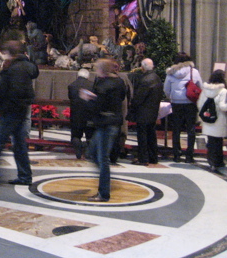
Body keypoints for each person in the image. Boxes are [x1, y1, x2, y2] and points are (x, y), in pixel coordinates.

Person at [0, 40, 39, 186]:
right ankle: (24, 176)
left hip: (12, 111)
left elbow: (12, 90)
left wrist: (3, 106)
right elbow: (34, 71)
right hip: (19, 110)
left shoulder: (15, 68)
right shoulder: (25, 65)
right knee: (19, 145)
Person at [81, 58, 127, 202]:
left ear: (102, 70)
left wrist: (88, 98)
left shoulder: (105, 85)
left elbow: (98, 106)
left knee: (102, 159)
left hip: (106, 124)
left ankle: (103, 193)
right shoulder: (119, 82)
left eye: (97, 68)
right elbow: (119, 98)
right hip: (109, 122)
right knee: (93, 154)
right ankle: (104, 182)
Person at [164, 52, 202, 163]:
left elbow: (166, 89)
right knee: (191, 129)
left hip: (176, 103)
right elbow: (200, 86)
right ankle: (189, 155)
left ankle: (177, 154)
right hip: (190, 103)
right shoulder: (193, 72)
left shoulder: (170, 73)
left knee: (176, 129)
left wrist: (171, 97)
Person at [197, 70, 227, 171]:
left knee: (211, 141)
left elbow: (200, 104)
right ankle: (218, 161)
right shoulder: (223, 91)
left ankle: (211, 161)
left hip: (208, 119)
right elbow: (223, 107)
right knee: (218, 142)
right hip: (219, 120)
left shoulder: (205, 90)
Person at [129, 58, 164, 166]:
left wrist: (132, 104)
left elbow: (139, 98)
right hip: (153, 110)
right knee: (151, 135)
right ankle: (153, 157)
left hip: (144, 112)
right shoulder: (156, 78)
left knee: (142, 136)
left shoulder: (145, 80)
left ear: (143, 67)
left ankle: (143, 158)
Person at [67, 68, 94, 159]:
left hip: (76, 115)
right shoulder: (92, 85)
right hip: (89, 115)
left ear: (78, 75)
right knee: (90, 136)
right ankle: (87, 152)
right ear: (88, 76)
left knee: (75, 135)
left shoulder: (72, 85)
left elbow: (70, 98)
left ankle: (78, 150)